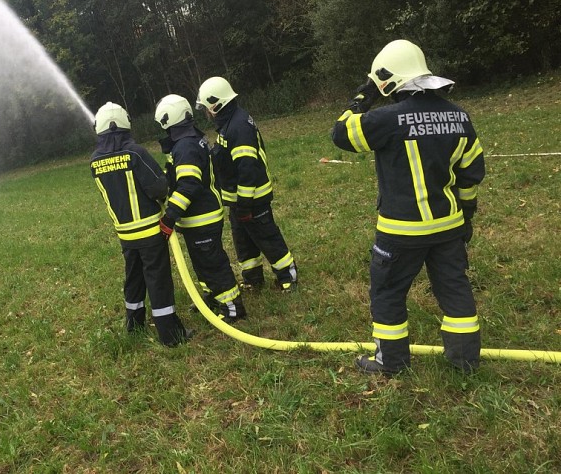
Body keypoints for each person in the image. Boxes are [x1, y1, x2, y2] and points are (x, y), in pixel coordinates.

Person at [331, 39, 485, 375]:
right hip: (448, 226)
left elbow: (341, 133)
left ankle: (391, 363)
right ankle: (465, 363)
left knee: (387, 292)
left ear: (388, 80)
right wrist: (467, 215)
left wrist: (364, 95)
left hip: (400, 231)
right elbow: (470, 173)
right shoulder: (460, 117)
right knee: (455, 289)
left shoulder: (386, 118)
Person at [90, 102, 191, 347]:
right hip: (150, 231)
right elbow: (158, 188)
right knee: (158, 280)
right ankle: (170, 334)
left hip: (125, 234)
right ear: (125, 124)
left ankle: (134, 325)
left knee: (133, 279)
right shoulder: (135, 153)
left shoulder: (95, 161)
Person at [196, 77, 298, 293]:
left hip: (253, 200)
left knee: (267, 238)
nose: (206, 113)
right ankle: (253, 279)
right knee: (244, 242)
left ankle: (288, 276)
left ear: (216, 105)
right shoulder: (229, 123)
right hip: (239, 202)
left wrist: (244, 204)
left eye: (206, 108)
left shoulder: (238, 126)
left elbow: (247, 168)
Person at [154, 94, 247, 323]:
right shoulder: (190, 139)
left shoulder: (185, 146)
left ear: (168, 120)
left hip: (202, 218)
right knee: (202, 262)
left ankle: (232, 306)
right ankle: (213, 296)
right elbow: (180, 176)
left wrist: (170, 217)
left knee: (212, 264)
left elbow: (189, 185)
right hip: (199, 217)